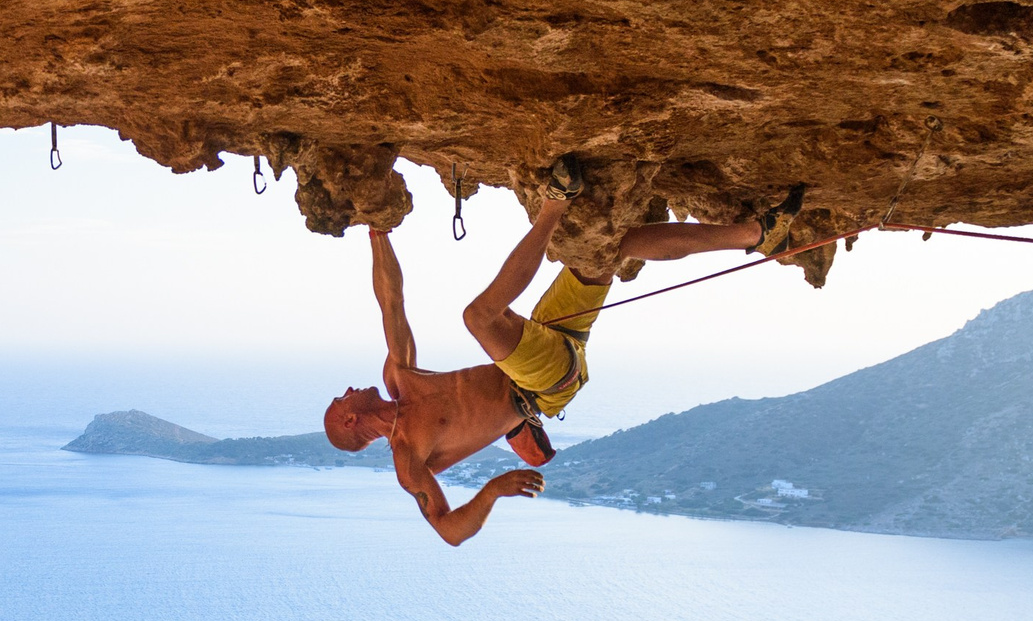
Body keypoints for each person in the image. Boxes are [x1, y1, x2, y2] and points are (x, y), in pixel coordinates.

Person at [322, 174, 793, 545]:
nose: (348, 389)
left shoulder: (399, 376)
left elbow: (392, 304)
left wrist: (377, 229)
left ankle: (755, 235)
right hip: (544, 383)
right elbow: (449, 531)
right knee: (479, 318)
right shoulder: (409, 458)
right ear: (348, 420)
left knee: (608, 247)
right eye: (341, 398)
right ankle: (554, 205)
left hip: (544, 347)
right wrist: (492, 490)